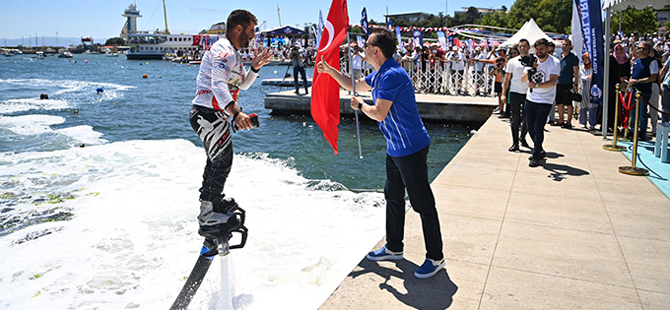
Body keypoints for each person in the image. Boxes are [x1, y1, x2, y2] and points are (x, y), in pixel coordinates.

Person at [316, 28, 445, 279]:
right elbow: (356, 84)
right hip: (395, 147)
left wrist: (360, 105)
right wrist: (330, 72)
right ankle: (394, 248)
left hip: (411, 148)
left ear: (376, 50)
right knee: (393, 198)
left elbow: (379, 112)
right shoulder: (381, 72)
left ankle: (436, 256)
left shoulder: (393, 75)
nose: (363, 48)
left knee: (422, 204)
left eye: (366, 45)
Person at [190, 10, 272, 230]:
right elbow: (217, 85)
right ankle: (208, 214)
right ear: (239, 29)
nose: (253, 36)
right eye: (251, 30)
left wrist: (255, 68)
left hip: (212, 114)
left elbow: (242, 84)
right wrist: (236, 113)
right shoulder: (225, 52)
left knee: (218, 161)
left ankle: (213, 204)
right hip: (208, 113)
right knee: (221, 162)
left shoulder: (231, 52)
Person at [522, 38, 560, 167]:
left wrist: (536, 85)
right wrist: (531, 69)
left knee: (539, 127)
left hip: (546, 100)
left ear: (548, 49)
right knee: (530, 127)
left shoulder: (554, 62)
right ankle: (539, 148)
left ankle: (536, 153)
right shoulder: (532, 60)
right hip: (531, 98)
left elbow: (553, 82)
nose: (538, 52)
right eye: (537, 49)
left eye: (541, 49)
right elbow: (523, 79)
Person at [502, 39, 530, 152]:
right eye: (520, 46)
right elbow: (507, 78)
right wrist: (503, 94)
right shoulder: (513, 61)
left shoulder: (533, 60)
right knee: (515, 119)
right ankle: (515, 143)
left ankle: (522, 137)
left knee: (527, 119)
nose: (522, 48)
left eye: (524, 46)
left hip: (529, 93)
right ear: (518, 48)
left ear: (528, 47)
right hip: (515, 92)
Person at [628, 41, 659, 140]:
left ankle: (642, 133)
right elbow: (632, 76)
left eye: (643, 49)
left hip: (644, 91)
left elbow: (653, 77)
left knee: (642, 113)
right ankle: (633, 131)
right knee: (633, 112)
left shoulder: (652, 61)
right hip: (634, 90)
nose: (640, 50)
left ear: (648, 50)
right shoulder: (636, 62)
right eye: (639, 48)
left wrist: (638, 81)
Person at [555, 38, 579, 129]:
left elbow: (576, 72)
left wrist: (576, 84)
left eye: (565, 45)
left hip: (567, 83)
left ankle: (568, 122)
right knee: (559, 103)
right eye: (563, 45)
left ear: (570, 46)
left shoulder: (573, 58)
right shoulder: (558, 56)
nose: (564, 46)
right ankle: (561, 120)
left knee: (568, 103)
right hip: (558, 82)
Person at [578, 53, 595, 131]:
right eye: (584, 59)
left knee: (592, 105)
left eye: (587, 58)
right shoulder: (582, 67)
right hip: (584, 87)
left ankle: (592, 123)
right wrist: (588, 77)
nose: (586, 60)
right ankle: (583, 122)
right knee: (583, 104)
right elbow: (582, 77)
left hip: (592, 87)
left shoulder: (593, 68)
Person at [660, 54, 670, 124]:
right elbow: (664, 69)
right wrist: (658, 82)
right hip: (667, 84)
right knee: (665, 108)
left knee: (665, 108)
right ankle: (664, 128)